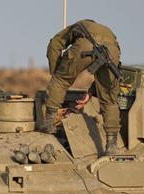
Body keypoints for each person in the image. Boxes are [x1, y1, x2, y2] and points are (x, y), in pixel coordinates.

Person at [40, 19, 123, 155]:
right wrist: (92, 92)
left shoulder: (76, 27)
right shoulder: (107, 31)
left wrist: (56, 72)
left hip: (85, 45)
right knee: (109, 100)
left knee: (60, 80)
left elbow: (55, 45)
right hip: (112, 51)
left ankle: (49, 123)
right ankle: (112, 144)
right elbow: (106, 81)